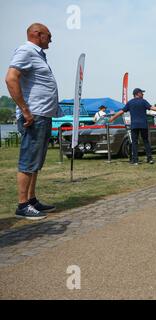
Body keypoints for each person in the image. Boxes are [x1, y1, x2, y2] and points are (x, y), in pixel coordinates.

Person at [5, 23, 59, 220]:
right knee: (28, 160)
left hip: (43, 114)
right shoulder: (26, 50)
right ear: (37, 34)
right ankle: (22, 205)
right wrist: (25, 110)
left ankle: (31, 199)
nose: (51, 40)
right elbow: (11, 79)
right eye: (49, 36)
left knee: (36, 161)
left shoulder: (37, 55)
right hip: (34, 115)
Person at [110, 88, 156, 165]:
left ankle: (135, 160)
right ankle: (149, 159)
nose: (143, 94)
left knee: (134, 143)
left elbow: (121, 111)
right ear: (137, 94)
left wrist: (112, 118)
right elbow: (152, 108)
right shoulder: (143, 102)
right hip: (143, 125)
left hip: (134, 125)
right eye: (142, 93)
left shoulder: (130, 103)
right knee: (146, 141)